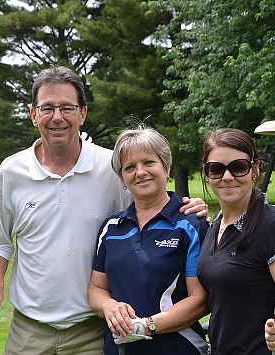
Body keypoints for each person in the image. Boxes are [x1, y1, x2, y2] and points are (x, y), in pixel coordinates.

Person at [0, 65, 208, 354]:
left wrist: (186, 207)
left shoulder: (111, 167)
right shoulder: (12, 170)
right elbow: (0, 240)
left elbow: (147, 208)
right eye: (47, 108)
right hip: (29, 327)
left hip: (94, 328)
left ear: (82, 113)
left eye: (67, 108)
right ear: (34, 114)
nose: (57, 117)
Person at [87, 125, 209, 355]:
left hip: (179, 348)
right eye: (130, 167)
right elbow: (96, 288)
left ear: (167, 168)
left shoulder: (191, 225)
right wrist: (109, 306)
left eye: (149, 162)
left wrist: (146, 326)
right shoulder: (111, 228)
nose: (140, 172)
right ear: (122, 180)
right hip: (119, 349)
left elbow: (200, 299)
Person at [196, 128, 275, 354]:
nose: (227, 177)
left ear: (255, 169)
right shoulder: (215, 226)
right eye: (216, 169)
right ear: (206, 174)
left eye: (238, 167)